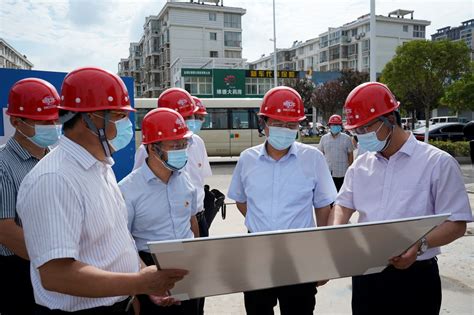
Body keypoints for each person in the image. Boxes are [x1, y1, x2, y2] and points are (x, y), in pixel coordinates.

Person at [16, 67, 187, 314]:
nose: (127, 126)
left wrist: (139, 281)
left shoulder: (101, 166)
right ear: (91, 118)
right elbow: (56, 275)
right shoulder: (54, 179)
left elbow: (117, 239)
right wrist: (139, 282)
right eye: (119, 116)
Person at [329, 82, 473, 315]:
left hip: (416, 277)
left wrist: (420, 245)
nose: (361, 136)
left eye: (366, 128)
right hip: (367, 274)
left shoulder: (437, 163)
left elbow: (456, 224)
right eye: (356, 130)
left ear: (391, 120)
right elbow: (343, 204)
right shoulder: (360, 166)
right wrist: (336, 229)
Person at [228, 86, 337, 315]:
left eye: (291, 125)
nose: (284, 130)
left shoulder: (313, 159)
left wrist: (324, 258)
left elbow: (324, 208)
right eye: (278, 123)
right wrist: (260, 221)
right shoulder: (247, 160)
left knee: (299, 310)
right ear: (264, 123)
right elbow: (240, 200)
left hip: (300, 253)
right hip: (257, 252)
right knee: (258, 310)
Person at [119, 108, 199, 315]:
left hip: (186, 263)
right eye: (175, 146)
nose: (182, 150)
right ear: (153, 149)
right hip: (148, 265)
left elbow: (192, 223)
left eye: (184, 145)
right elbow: (122, 241)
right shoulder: (128, 189)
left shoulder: (185, 180)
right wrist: (141, 283)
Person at [0, 78, 61, 315]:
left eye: (56, 118)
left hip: (59, 263)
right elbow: (4, 229)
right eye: (44, 120)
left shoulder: (59, 159)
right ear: (16, 121)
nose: (53, 125)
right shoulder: (3, 165)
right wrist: (50, 259)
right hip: (20, 268)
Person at [133, 90, 212, 239]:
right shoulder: (148, 151)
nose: (191, 121)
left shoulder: (198, 143)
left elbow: (200, 182)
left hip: (197, 217)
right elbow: (140, 185)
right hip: (166, 223)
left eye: (193, 116)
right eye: (186, 117)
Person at [318, 114, 353, 191]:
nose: (335, 126)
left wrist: (350, 169)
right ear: (329, 126)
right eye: (333, 125)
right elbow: (320, 154)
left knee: (341, 193)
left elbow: (350, 154)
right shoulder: (324, 138)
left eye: (337, 125)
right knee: (329, 193)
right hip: (328, 172)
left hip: (342, 172)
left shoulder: (346, 138)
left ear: (341, 126)